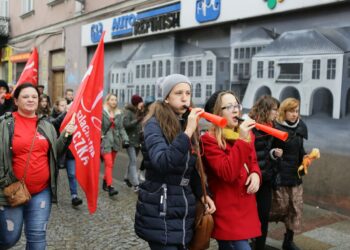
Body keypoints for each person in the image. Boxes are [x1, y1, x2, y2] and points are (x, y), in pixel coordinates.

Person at [134, 74, 216, 250]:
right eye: (178, 92)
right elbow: (162, 162)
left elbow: (190, 168)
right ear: (166, 97)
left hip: (183, 208)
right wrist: (187, 132)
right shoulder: (153, 124)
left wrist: (203, 193)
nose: (185, 97)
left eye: (188, 92)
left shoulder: (186, 122)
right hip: (160, 207)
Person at [0, 83, 76, 249]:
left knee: (37, 237)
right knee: (9, 238)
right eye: (25, 97)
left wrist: (66, 135)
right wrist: (3, 182)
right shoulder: (4, 124)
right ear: (16, 100)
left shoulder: (46, 125)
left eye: (34, 97)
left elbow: (54, 153)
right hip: (12, 191)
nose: (30, 100)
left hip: (41, 192)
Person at [201, 90, 261, 250]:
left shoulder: (245, 135)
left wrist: (256, 174)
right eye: (228, 107)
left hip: (246, 208)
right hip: (228, 212)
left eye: (236, 105)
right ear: (216, 114)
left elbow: (253, 161)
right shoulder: (209, 140)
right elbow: (227, 172)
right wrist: (242, 139)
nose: (236, 110)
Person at [269, 98, 307, 250]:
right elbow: (268, 148)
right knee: (276, 208)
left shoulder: (300, 128)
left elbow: (300, 150)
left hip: (295, 177)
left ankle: (288, 241)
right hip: (279, 176)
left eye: (296, 111)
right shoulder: (275, 127)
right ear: (284, 112)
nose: (294, 114)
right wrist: (273, 153)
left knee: (295, 208)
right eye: (291, 111)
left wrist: (305, 158)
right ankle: (257, 237)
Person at [248, 95, 283, 250]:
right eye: (274, 109)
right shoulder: (250, 126)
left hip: (266, 178)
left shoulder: (273, 126)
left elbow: (266, 152)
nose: (276, 113)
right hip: (250, 179)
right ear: (265, 109)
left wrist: (274, 153)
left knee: (263, 216)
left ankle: (259, 246)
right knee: (248, 216)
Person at [50, 97, 83, 207]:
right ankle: (52, 194)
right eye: (62, 106)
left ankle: (74, 196)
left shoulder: (74, 115)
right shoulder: (54, 117)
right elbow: (54, 124)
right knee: (54, 173)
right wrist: (66, 113)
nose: (64, 107)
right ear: (57, 107)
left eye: (66, 105)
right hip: (59, 150)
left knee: (72, 174)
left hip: (70, 151)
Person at [101, 93, 129, 197]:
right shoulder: (102, 113)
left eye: (115, 100)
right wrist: (100, 135)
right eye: (112, 100)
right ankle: (110, 186)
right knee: (109, 164)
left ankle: (105, 181)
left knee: (111, 163)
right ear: (107, 101)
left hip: (116, 141)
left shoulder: (119, 113)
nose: (114, 102)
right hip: (106, 141)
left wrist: (126, 139)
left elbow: (121, 128)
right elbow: (97, 125)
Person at [123, 94, 144, 192]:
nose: (142, 104)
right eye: (140, 102)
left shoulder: (139, 111)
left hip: (137, 141)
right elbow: (126, 125)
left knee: (132, 160)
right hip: (129, 140)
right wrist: (137, 120)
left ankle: (126, 178)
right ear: (136, 103)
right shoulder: (128, 112)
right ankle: (136, 184)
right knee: (134, 161)